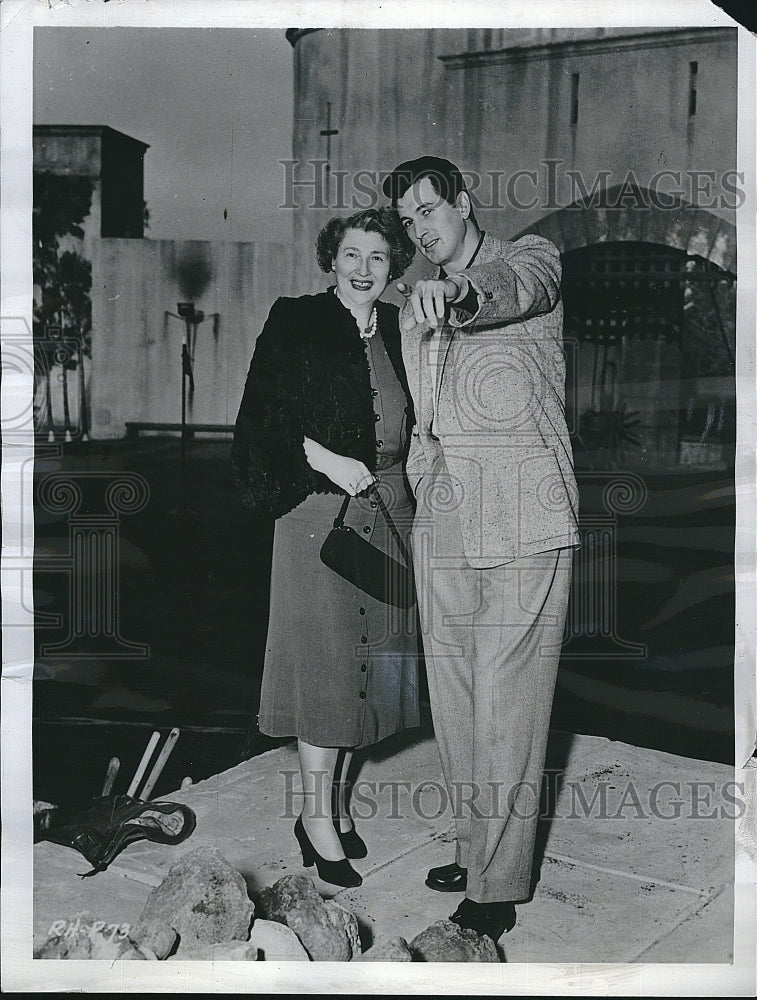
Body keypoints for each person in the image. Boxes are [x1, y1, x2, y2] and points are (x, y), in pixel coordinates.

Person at [383, 156, 579, 939]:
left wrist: (459, 292)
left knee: (508, 698)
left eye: (429, 210)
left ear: (463, 203)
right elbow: (425, 418)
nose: (422, 229)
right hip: (448, 513)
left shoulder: (527, 258)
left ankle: (497, 886)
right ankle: (476, 848)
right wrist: (424, 488)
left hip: (525, 511)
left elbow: (513, 290)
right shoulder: (410, 300)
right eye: (408, 220)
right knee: (457, 697)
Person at [231, 208, 419, 889]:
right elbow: (261, 418)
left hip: (389, 513)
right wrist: (326, 460)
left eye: (377, 255)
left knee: (369, 666)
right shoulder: (297, 320)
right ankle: (314, 818)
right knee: (326, 670)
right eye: (351, 253)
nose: (364, 267)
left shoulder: (401, 328)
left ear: (393, 265)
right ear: (330, 260)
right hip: (317, 514)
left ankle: (333, 805)